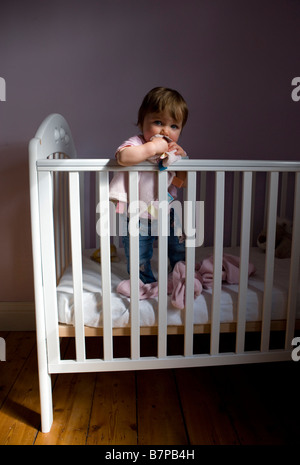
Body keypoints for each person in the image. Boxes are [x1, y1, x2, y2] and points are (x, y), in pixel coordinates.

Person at [109, 87, 189, 284]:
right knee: (139, 250)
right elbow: (122, 157)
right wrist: (152, 148)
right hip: (138, 213)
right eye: (158, 122)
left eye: (174, 126)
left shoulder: (173, 152)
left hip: (167, 208)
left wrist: (183, 160)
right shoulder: (136, 143)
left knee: (177, 245)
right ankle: (144, 282)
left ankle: (180, 273)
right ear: (142, 122)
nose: (165, 131)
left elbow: (181, 181)